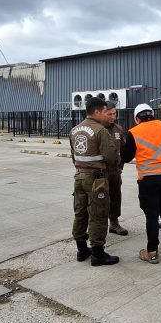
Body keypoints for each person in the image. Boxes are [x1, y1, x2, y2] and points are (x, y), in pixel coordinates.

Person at [122, 103, 161, 264]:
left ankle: (152, 252)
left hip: (148, 179)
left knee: (152, 216)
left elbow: (126, 157)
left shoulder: (134, 132)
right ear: (152, 114)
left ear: (137, 118)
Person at [69, 97, 120, 266]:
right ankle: (98, 253)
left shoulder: (74, 130)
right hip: (96, 179)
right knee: (98, 214)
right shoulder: (100, 130)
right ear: (97, 112)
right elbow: (111, 157)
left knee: (80, 212)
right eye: (105, 111)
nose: (107, 115)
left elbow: (73, 156)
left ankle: (82, 250)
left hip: (79, 176)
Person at [104, 101, 128, 236]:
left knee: (115, 197)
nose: (113, 116)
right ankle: (96, 226)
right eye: (109, 114)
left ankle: (114, 223)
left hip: (115, 172)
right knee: (98, 200)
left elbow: (123, 151)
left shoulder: (118, 129)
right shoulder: (96, 129)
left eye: (114, 113)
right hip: (99, 173)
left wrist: (120, 167)